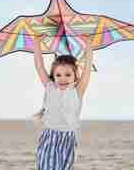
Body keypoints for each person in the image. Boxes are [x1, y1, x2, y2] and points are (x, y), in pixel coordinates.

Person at [32, 36, 92, 169]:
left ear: (75, 76)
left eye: (68, 74)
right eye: (58, 75)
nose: (62, 78)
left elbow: (87, 70)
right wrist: (37, 44)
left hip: (68, 138)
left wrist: (88, 46)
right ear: (53, 76)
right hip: (49, 136)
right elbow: (39, 66)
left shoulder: (78, 91)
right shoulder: (50, 87)